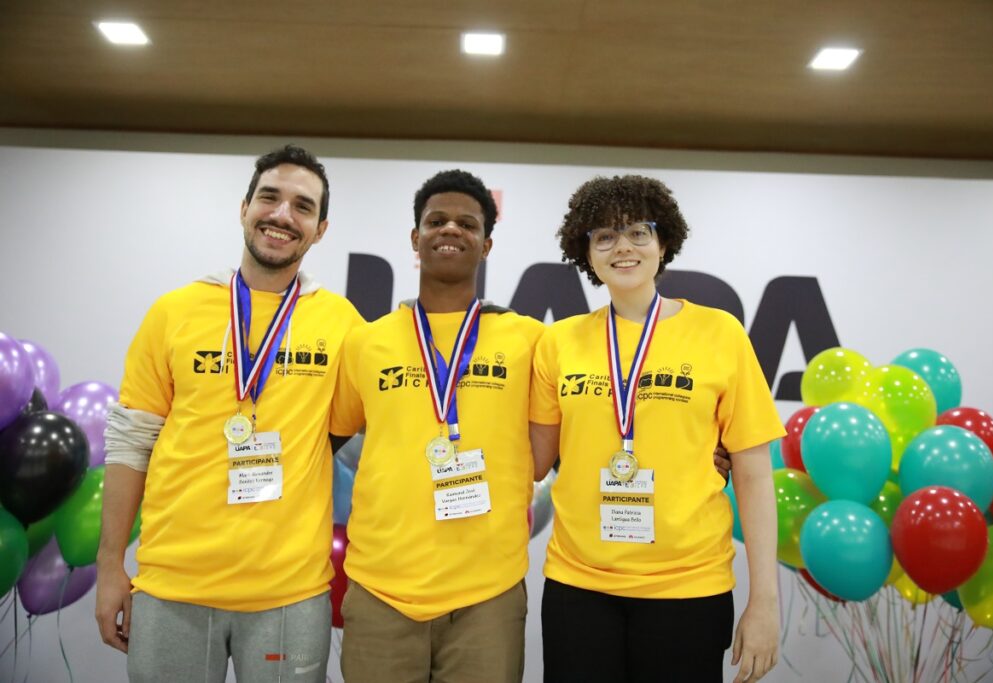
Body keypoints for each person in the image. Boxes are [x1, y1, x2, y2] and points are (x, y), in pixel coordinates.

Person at [95, 145, 364, 682]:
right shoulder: (175, 311)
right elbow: (131, 444)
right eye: (270, 197)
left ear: (321, 229)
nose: (282, 215)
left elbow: (357, 430)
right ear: (244, 208)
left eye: (302, 207)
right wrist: (109, 569)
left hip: (289, 594)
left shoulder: (343, 324)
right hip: (173, 584)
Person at [529, 175, 785, 683]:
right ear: (587, 253)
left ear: (663, 242)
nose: (622, 247)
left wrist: (765, 602)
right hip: (579, 588)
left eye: (638, 233)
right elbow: (533, 461)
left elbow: (755, 475)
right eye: (603, 236)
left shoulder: (719, 333)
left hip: (689, 588)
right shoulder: (558, 343)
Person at [333, 169, 544, 682]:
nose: (451, 230)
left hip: (486, 597)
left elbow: (582, 433)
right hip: (380, 591)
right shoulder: (367, 341)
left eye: (467, 224)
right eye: (436, 221)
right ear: (415, 238)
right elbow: (324, 442)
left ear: (486, 244)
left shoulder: (530, 340)